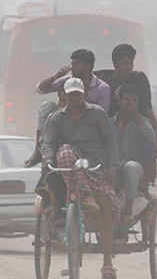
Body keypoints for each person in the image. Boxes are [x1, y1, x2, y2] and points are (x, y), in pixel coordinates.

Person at [40, 77, 121, 279]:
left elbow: (111, 142)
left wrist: (112, 170)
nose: (74, 97)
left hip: (95, 167)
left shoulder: (97, 114)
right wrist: (47, 160)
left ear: (84, 95)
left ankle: (107, 263)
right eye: (70, 94)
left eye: (78, 94)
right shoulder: (57, 118)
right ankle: (83, 198)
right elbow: (48, 143)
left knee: (105, 205)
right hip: (70, 172)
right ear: (64, 96)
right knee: (65, 152)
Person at [97, 43, 157, 152]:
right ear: (115, 64)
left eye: (131, 63)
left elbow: (146, 108)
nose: (129, 67)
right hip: (113, 127)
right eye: (125, 63)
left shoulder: (139, 79)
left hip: (137, 125)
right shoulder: (107, 82)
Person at [109, 84, 157, 223]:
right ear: (119, 101)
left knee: (131, 166)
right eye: (127, 99)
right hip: (114, 167)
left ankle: (129, 209)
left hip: (136, 168)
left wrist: (136, 115)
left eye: (134, 101)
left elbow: (152, 137)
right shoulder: (109, 122)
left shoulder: (142, 122)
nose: (130, 103)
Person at [36, 48, 111, 112]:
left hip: (89, 126)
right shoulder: (67, 81)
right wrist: (55, 76)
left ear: (87, 67)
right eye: (72, 64)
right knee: (48, 106)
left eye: (75, 65)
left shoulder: (102, 88)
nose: (72, 68)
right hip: (65, 122)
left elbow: (102, 115)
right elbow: (40, 89)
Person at [24, 90, 66, 168]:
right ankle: (37, 153)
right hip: (55, 148)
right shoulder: (56, 116)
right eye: (64, 100)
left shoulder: (91, 113)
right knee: (48, 106)